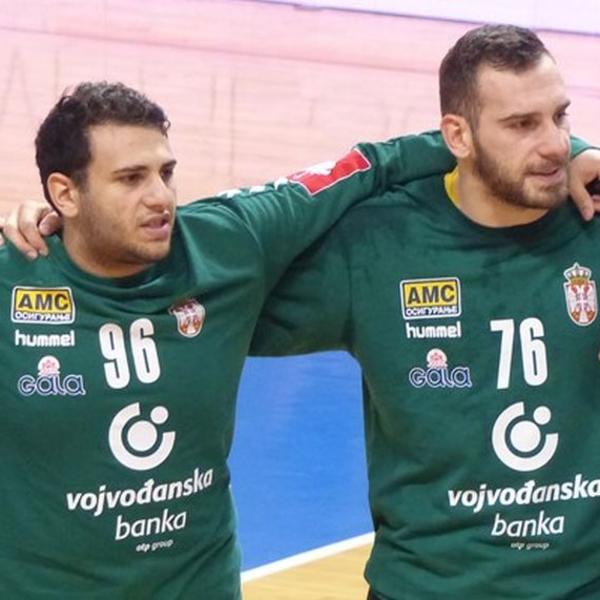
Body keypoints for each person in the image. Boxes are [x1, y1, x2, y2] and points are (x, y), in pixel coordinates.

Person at [2, 78, 599, 598]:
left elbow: (371, 164)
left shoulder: (227, 243)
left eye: (166, 173)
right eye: (131, 179)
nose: (160, 197)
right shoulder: (12, 282)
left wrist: (569, 152)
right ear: (65, 194)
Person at [248, 25, 600, 599]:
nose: (557, 145)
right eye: (521, 125)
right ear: (456, 135)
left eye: (560, 118)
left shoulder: (592, 219)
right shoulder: (379, 243)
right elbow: (209, 308)